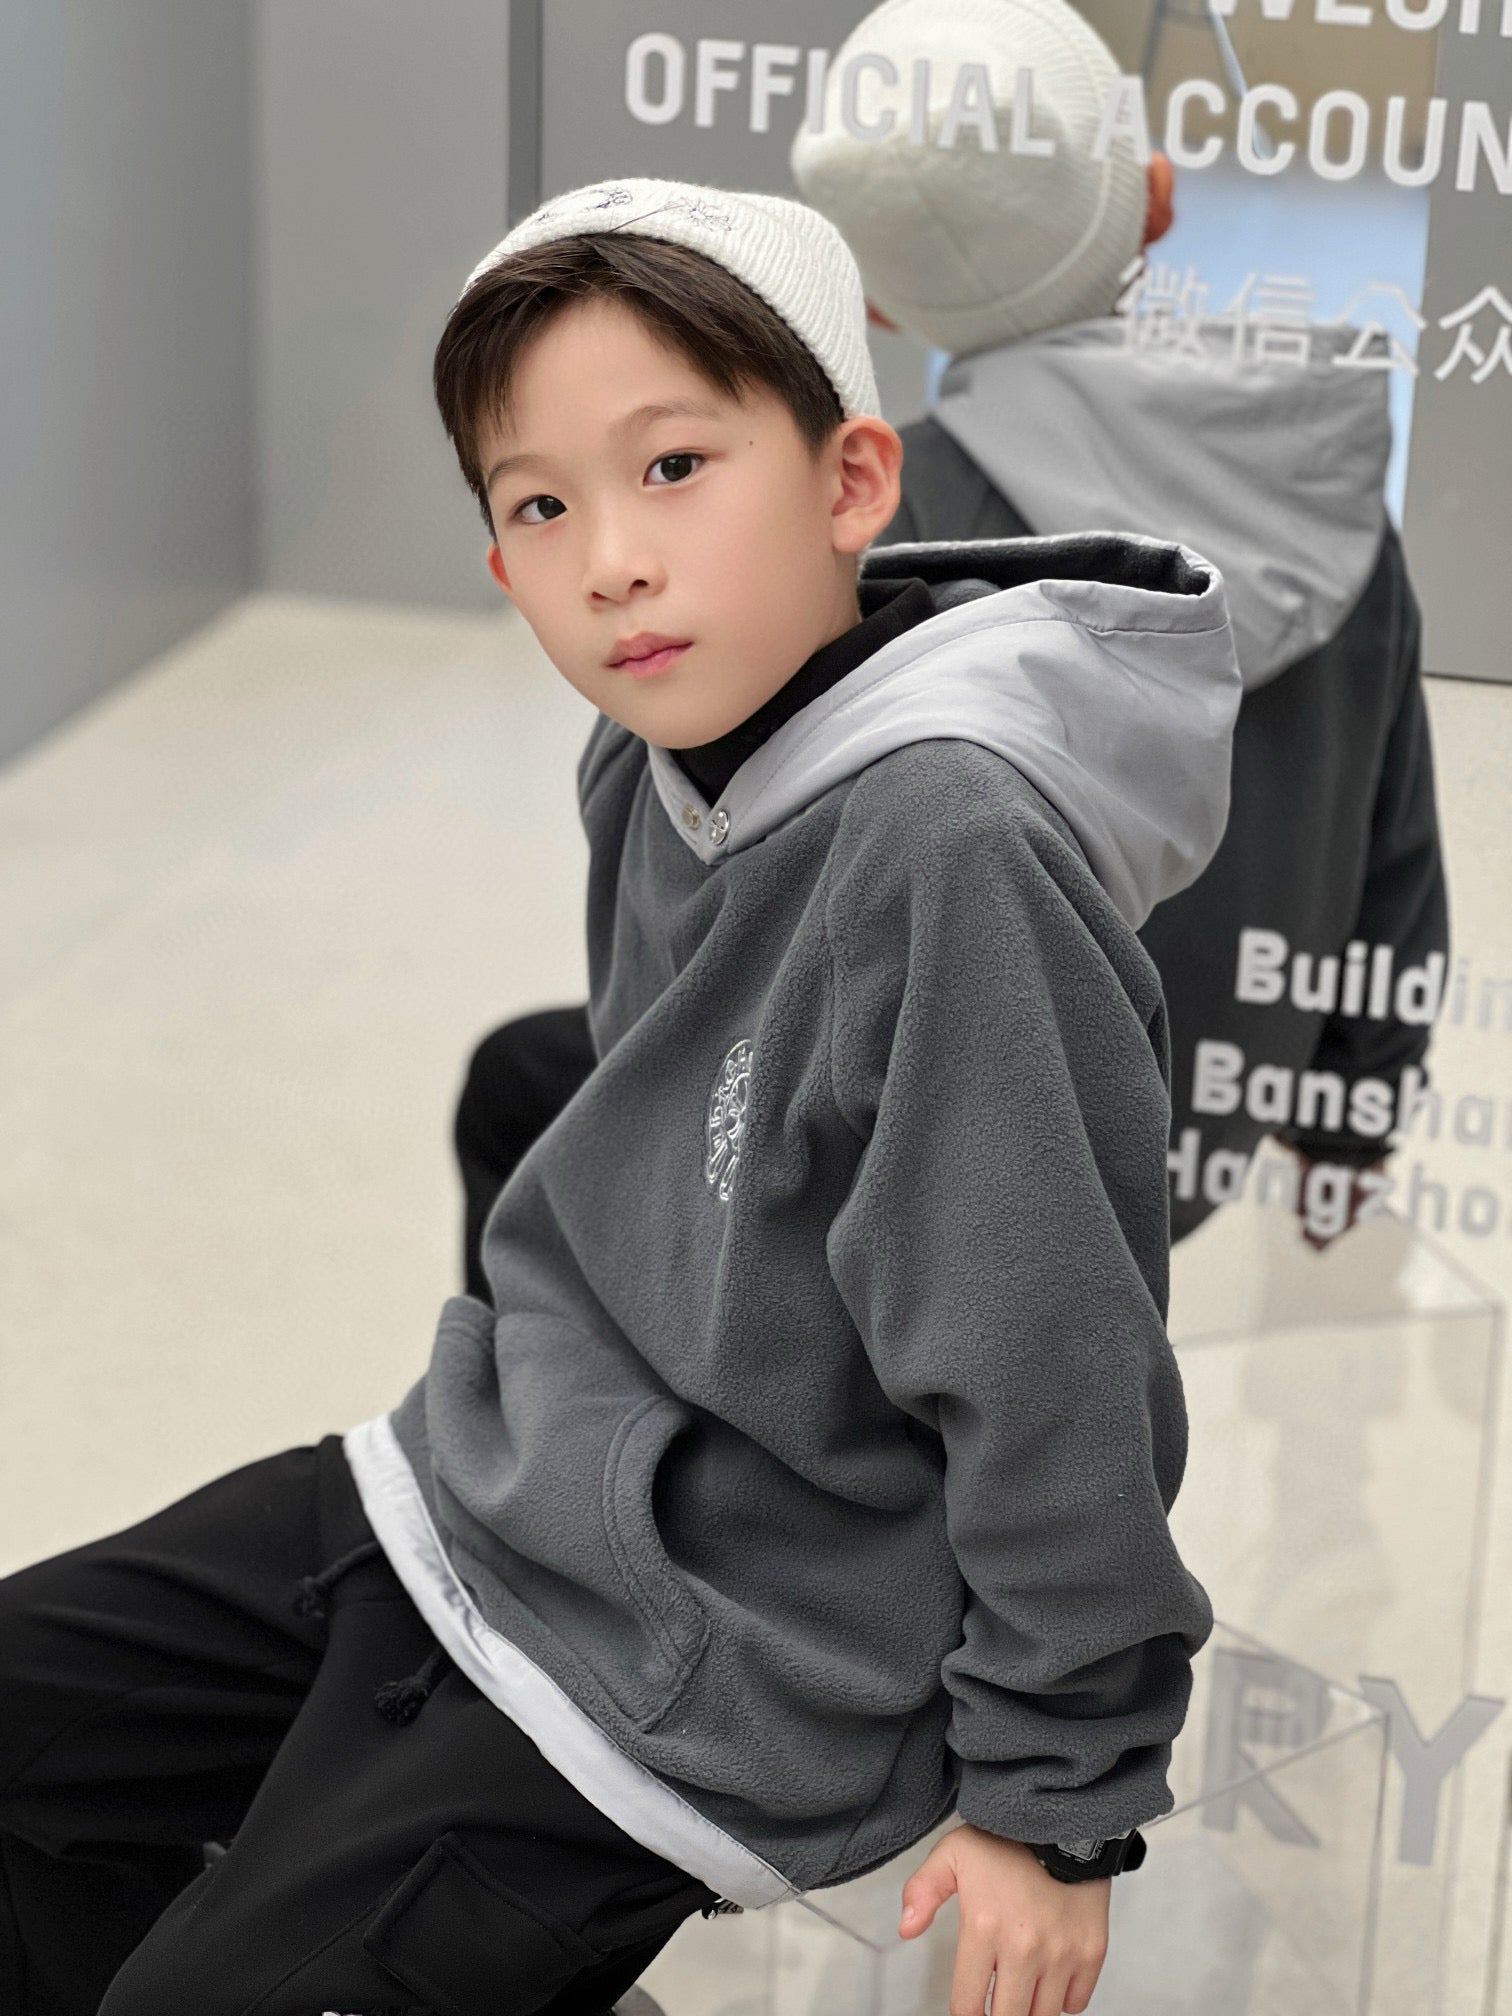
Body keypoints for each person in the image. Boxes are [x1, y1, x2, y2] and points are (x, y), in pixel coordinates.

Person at [0, 177, 1236, 2016]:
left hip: (718, 1666)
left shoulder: (950, 846)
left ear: (851, 481)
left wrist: (1058, 1805)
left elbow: (1055, 1360)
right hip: (488, 1489)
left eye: (672, 468)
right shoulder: (653, 756)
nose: (611, 563)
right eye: (541, 506)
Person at [455, 0, 1447, 1269]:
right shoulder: (1325, 489)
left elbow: (703, 975)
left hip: (939, 1172)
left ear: (868, 308)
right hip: (1207, 1123)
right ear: (1156, 200)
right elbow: (1397, 848)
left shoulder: (865, 540)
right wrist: (1357, 1122)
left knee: (513, 1089)